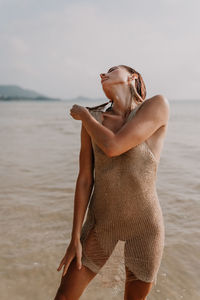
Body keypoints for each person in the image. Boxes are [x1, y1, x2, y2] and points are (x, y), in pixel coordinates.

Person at [54, 65, 170, 300]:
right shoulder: (95, 118)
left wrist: (84, 115)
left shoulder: (156, 106)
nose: (102, 74)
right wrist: (75, 236)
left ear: (132, 77)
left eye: (112, 69)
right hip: (101, 224)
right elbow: (85, 179)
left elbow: (114, 146)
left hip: (145, 229)